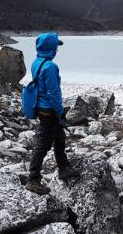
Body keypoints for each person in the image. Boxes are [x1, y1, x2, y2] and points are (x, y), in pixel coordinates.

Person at [25, 32, 79, 195]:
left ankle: (64, 168)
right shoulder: (50, 67)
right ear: (51, 48)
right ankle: (33, 179)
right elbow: (53, 93)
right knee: (42, 145)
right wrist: (60, 112)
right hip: (49, 110)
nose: (57, 50)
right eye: (56, 47)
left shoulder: (37, 62)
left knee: (59, 138)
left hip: (41, 107)